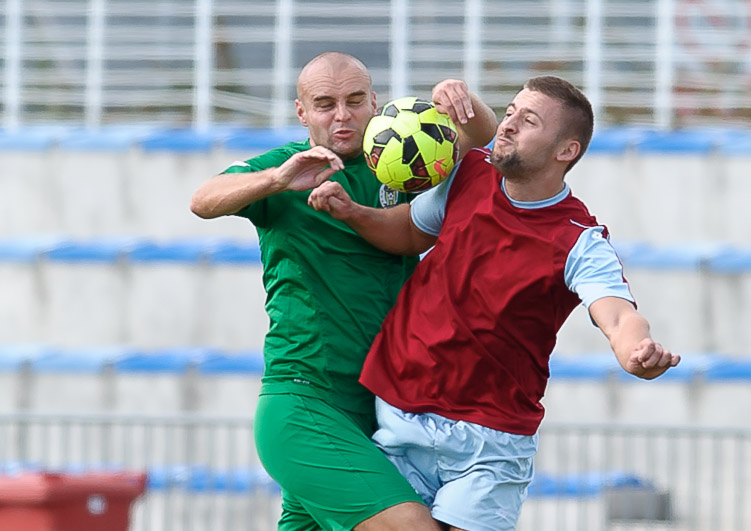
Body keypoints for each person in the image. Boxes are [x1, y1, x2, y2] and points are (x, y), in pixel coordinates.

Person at [308, 75, 682, 531]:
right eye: (509, 113)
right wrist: (353, 212)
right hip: (400, 413)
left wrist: (635, 350)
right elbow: (408, 231)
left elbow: (619, 314)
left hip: (490, 440)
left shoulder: (579, 240)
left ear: (566, 151)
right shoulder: (468, 174)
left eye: (528, 121)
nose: (507, 126)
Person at [189, 51, 497, 530]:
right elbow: (202, 200)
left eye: (355, 101)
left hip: (382, 407)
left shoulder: (403, 160)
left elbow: (481, 137)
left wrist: (460, 97)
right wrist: (277, 180)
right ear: (302, 112)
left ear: (374, 102)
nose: (342, 115)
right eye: (325, 104)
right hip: (306, 399)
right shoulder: (284, 171)